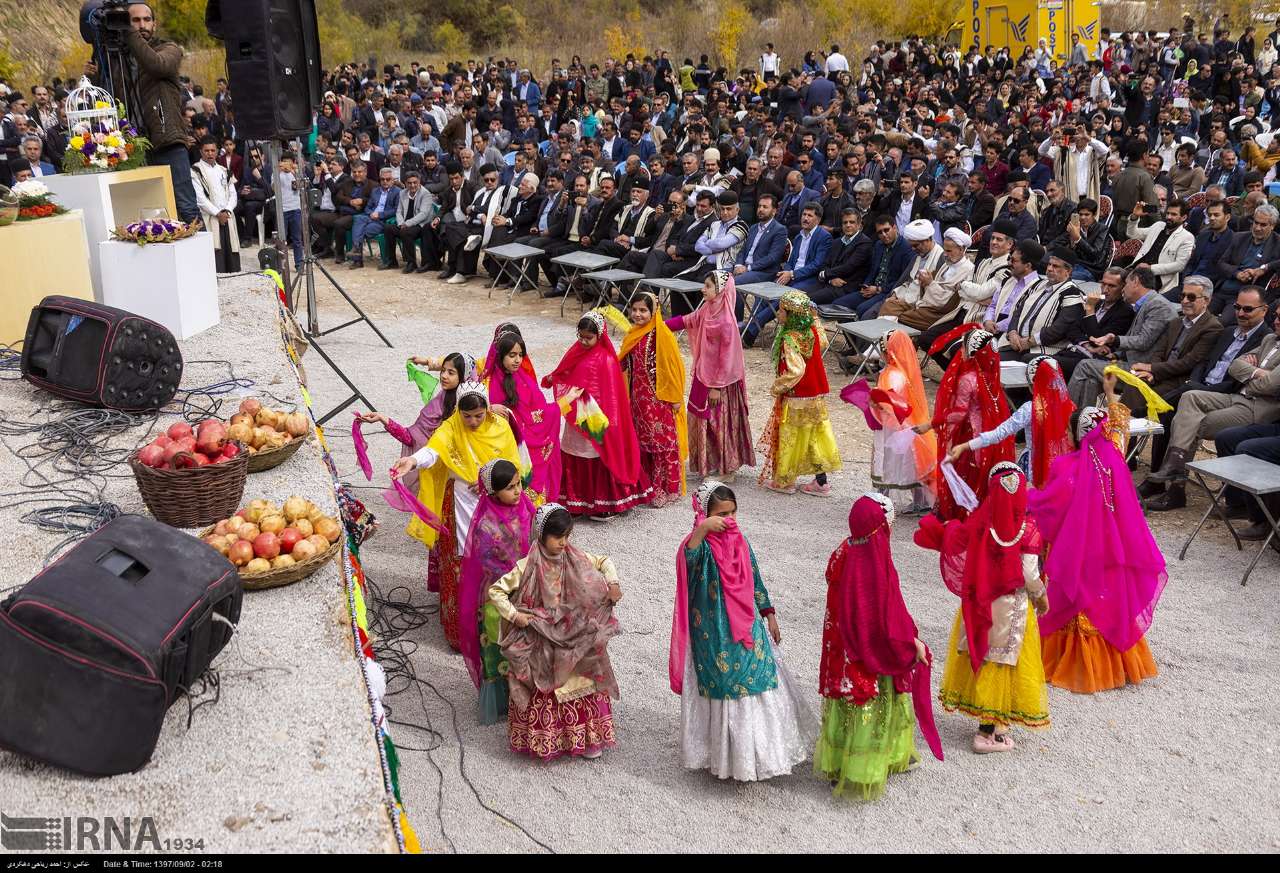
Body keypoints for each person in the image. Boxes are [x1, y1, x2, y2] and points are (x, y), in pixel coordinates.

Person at [670, 480, 816, 781]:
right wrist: (702, 530)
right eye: (722, 514)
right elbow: (687, 562)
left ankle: (762, 754)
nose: (729, 520)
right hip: (715, 633)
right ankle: (728, 759)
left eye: (733, 512)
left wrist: (769, 613)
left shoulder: (740, 542)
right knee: (725, 684)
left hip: (749, 625)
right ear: (705, 514)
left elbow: (756, 577)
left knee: (759, 679)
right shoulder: (699, 546)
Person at [1028, 398, 1164, 694]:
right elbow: (1120, 431)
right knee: (1107, 597)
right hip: (1109, 547)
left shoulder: (1067, 468)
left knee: (1076, 598)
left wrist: (1027, 500)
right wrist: (1114, 403)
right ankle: (1116, 663)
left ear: (1075, 435)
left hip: (1078, 549)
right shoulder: (1115, 462)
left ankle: (1075, 663)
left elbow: (1050, 508)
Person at [915, 463, 1050, 753]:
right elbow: (1029, 573)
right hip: (1011, 605)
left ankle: (988, 726)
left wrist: (944, 529)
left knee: (985, 656)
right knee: (1004, 663)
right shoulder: (1028, 528)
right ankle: (991, 733)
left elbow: (957, 542)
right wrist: (1041, 596)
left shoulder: (980, 521)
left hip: (979, 603)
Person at [816, 493, 943, 799]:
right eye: (889, 526)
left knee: (849, 704)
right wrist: (912, 642)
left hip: (843, 647)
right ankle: (863, 769)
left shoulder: (845, 549)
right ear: (879, 530)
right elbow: (886, 617)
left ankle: (839, 764)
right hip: (868, 649)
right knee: (873, 699)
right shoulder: (873, 563)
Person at [391, 383, 521, 651]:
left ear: (487, 409)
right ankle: (461, 633)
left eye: (478, 415)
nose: (473, 422)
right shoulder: (451, 428)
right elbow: (434, 450)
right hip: (461, 503)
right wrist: (412, 461)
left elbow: (513, 466)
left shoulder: (500, 428)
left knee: (493, 560)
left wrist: (489, 480)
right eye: (467, 416)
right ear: (458, 413)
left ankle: (495, 626)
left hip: (493, 505)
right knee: (461, 562)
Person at [489, 503, 622, 761]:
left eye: (567, 537)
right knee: (548, 679)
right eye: (558, 537)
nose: (563, 543)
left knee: (583, 676)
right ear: (542, 535)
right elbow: (496, 591)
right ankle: (550, 740)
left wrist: (613, 584)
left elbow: (604, 561)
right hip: (541, 634)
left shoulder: (574, 556)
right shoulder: (527, 565)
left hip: (574, 630)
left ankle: (586, 738)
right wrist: (515, 616)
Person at [542, 312, 654, 519]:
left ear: (599, 335)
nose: (584, 341)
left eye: (588, 338)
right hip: (576, 415)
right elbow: (566, 370)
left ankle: (603, 503)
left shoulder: (607, 360)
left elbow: (612, 396)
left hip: (597, 419)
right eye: (581, 336)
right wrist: (554, 377)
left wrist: (609, 423)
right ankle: (576, 501)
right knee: (574, 451)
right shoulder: (575, 351)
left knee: (596, 453)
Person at [93, 3, 199, 221]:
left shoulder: (169, 49)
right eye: (134, 20)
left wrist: (129, 34)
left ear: (154, 23)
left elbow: (157, 66)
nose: (141, 25)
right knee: (147, 210)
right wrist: (95, 73)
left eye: (146, 20)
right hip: (136, 146)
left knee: (185, 208)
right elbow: (108, 96)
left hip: (168, 141)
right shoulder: (118, 58)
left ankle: (203, 256)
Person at [459, 458, 533, 725]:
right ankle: (502, 703)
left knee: (526, 645)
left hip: (527, 586)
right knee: (497, 645)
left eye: (518, 484)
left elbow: (535, 539)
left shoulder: (526, 507)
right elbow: (488, 563)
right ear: (492, 492)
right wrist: (517, 578)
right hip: (498, 592)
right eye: (510, 487)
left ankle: (527, 698)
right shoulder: (486, 525)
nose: (517, 491)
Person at [665, 272, 756, 480]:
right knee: (704, 422)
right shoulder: (708, 310)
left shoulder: (725, 322)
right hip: (703, 375)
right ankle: (713, 463)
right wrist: (659, 327)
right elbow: (689, 320)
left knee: (720, 424)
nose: (702, 289)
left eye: (707, 286)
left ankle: (727, 470)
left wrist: (715, 387)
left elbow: (726, 360)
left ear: (721, 290)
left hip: (720, 385)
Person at [917, 327, 1013, 521]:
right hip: (992, 431)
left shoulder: (968, 379)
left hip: (970, 434)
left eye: (963, 348)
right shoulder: (991, 374)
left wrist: (930, 424)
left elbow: (959, 413)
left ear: (972, 352)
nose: (960, 352)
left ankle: (965, 513)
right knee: (985, 473)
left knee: (966, 472)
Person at [757, 291, 842, 496]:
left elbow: (796, 370)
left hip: (797, 397)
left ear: (792, 314)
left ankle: (784, 481)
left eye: (782, 310)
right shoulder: (811, 329)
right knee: (814, 436)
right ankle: (821, 482)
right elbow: (822, 341)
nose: (779, 314)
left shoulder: (789, 337)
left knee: (790, 437)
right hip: (815, 395)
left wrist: (778, 386)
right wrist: (815, 317)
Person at [847, 330, 937, 513]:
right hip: (907, 427)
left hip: (893, 428)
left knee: (888, 463)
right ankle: (921, 502)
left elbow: (888, 403)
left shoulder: (892, 375)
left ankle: (881, 501)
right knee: (911, 464)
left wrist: (871, 401)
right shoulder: (902, 372)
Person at [950, 355, 1074, 489]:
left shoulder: (1031, 409)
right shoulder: (1070, 407)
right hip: (1065, 471)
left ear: (1033, 384)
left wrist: (966, 446)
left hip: (1034, 469)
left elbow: (999, 433)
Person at [617, 292, 688, 508]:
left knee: (660, 444)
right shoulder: (632, 334)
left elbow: (672, 368)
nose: (637, 314)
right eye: (634, 309)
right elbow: (623, 365)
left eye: (643, 310)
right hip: (637, 400)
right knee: (642, 442)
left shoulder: (662, 335)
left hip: (659, 400)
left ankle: (664, 488)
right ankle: (645, 486)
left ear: (653, 311)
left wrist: (675, 397)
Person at [484, 327, 562, 506]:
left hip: (527, 441)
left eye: (520, 355)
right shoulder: (489, 382)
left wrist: (556, 408)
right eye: (512, 355)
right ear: (500, 355)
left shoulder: (524, 378)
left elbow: (538, 412)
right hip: (506, 445)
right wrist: (488, 408)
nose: (518, 360)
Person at [191, 136, 240, 272]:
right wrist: (218, 213)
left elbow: (233, 194)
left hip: (227, 217)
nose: (210, 153)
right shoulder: (196, 171)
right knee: (215, 252)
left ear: (218, 151)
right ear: (201, 151)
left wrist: (227, 210)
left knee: (231, 251)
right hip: (210, 218)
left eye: (213, 150)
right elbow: (200, 198)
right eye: (206, 151)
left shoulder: (224, 170)